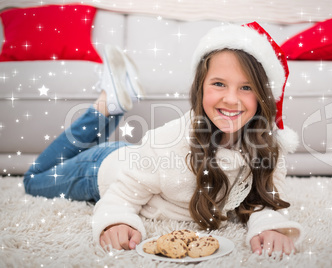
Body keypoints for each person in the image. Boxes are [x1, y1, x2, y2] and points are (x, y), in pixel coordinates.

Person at [24, 22, 302, 256]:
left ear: (263, 96)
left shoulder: (267, 146)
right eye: (219, 84)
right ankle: (104, 108)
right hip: (102, 170)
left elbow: (266, 199)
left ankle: (111, 107)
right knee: (34, 178)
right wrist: (116, 222)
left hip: (139, 160)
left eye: (246, 87)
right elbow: (120, 198)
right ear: (199, 89)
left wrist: (268, 225)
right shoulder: (171, 142)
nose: (231, 98)